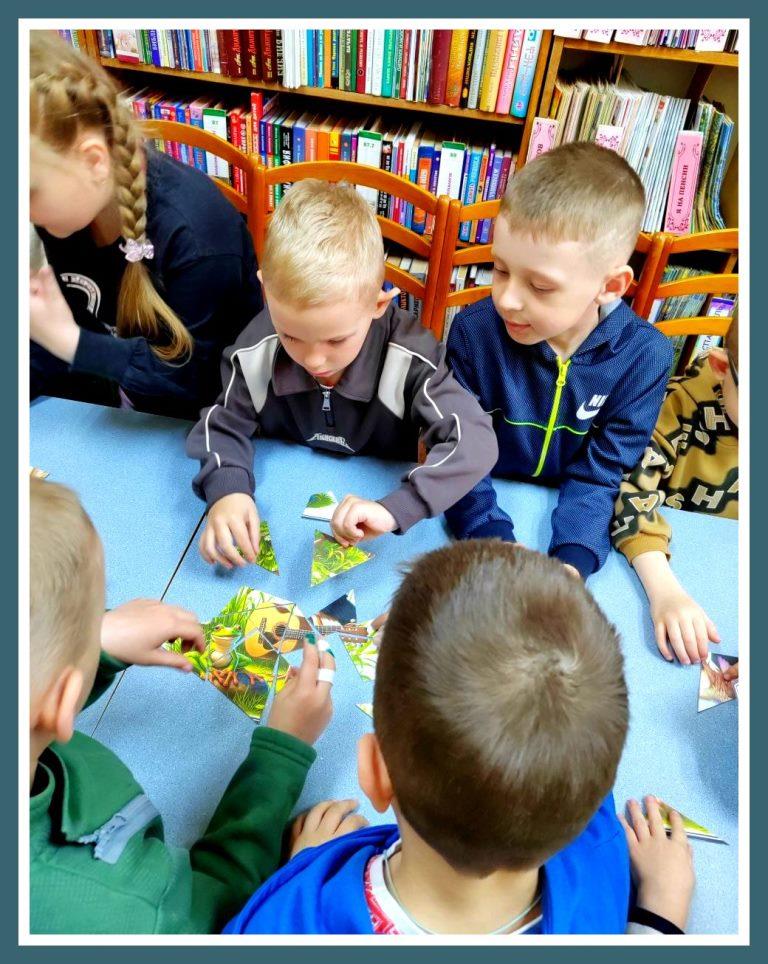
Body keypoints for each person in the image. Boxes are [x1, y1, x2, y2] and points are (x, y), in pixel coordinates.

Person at [224, 541, 695, 935]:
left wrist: (304, 868)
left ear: (374, 773)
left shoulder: (288, 919)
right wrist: (661, 909)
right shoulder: (597, 855)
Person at [30, 476, 336, 934]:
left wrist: (95, 643)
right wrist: (282, 755)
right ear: (61, 698)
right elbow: (221, 908)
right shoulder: (133, 917)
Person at [186, 178, 498, 569]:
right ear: (266, 291)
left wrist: (396, 508)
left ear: (378, 305)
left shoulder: (410, 356)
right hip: (284, 500)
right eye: (291, 335)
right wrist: (227, 489)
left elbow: (474, 441)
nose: (314, 360)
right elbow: (221, 424)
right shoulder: (256, 348)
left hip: (377, 517)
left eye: (336, 340)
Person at [443, 143, 673, 580]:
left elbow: (602, 473)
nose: (507, 300)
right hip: (484, 508)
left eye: (541, 287)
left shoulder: (645, 358)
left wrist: (573, 559)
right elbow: (459, 449)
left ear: (610, 286)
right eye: (500, 269)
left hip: (572, 515)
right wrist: (490, 537)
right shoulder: (474, 333)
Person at [29, 31, 262, 418]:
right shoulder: (64, 216)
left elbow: (194, 382)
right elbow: (77, 323)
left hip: (205, 418)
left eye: (28, 191)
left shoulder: (197, 238)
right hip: (117, 403)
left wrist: (69, 342)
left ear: (94, 161)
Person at [612, 308, 739, 664]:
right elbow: (627, 490)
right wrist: (665, 592)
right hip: (669, 569)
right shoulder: (677, 402)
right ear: (722, 367)